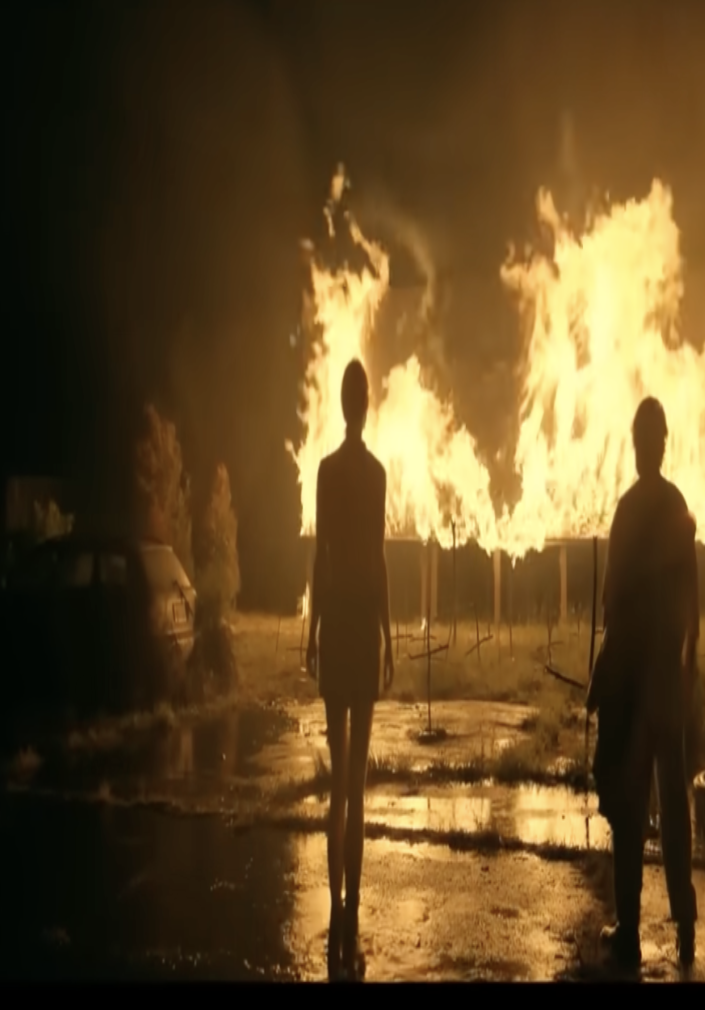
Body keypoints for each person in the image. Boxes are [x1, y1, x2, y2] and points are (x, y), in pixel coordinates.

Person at [589, 396, 699, 972]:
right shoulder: (678, 505)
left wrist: (604, 680)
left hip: (636, 683)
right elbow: (693, 603)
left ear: (640, 446)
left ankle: (629, 929)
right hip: (667, 683)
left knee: (630, 806)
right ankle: (685, 923)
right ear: (665, 444)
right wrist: (687, 669)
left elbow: (612, 604)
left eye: (638, 441)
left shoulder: (629, 509)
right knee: (674, 804)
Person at [306, 359, 395, 981]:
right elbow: (379, 557)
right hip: (361, 627)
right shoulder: (376, 474)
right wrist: (388, 635)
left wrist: (312, 631)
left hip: (338, 624)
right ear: (367, 404)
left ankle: (338, 901)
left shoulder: (327, 471)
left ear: (344, 405)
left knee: (339, 779)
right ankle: (352, 901)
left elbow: (321, 555)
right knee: (356, 783)